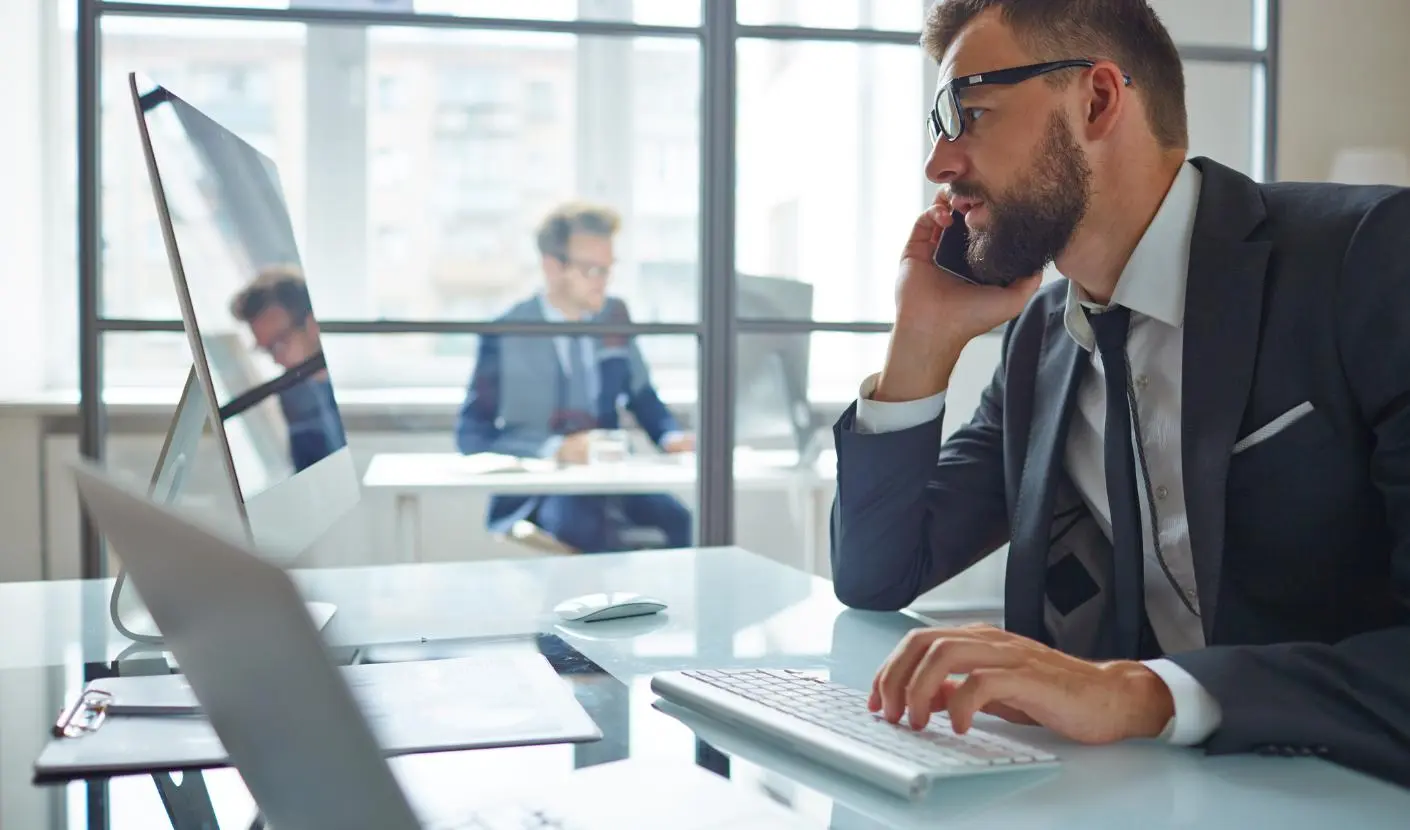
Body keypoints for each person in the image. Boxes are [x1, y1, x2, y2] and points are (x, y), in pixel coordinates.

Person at [831, 0, 1410, 787]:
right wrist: (921, 342)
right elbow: (879, 572)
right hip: (1145, 792)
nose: (939, 162)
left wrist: (1140, 693)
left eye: (967, 115)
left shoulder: (1371, 258)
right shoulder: (1043, 340)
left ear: (1098, 99)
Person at [455, 201, 694, 553]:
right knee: (581, 524)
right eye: (592, 270)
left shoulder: (614, 316)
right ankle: (607, 608)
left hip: (610, 478)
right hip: (542, 490)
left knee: (679, 519)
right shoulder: (506, 332)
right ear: (553, 267)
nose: (603, 282)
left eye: (608, 270)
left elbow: (642, 397)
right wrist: (556, 449)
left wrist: (670, 435)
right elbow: (472, 434)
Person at [229, 266, 347, 471]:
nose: (276, 360)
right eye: (267, 350)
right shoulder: (292, 393)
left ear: (312, 325)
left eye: (279, 344)